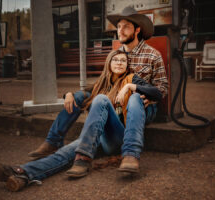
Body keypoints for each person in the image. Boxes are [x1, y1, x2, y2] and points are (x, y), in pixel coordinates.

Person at [0, 50, 163, 192]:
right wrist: (68, 94)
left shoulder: (131, 79)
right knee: (62, 154)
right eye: (115, 60)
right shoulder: (100, 85)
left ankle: (86, 158)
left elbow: (156, 93)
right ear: (109, 63)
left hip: (120, 136)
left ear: (127, 65)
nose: (119, 63)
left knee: (101, 100)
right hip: (98, 138)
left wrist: (129, 87)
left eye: (123, 61)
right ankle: (21, 173)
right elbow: (82, 95)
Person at [28, 6, 167, 169]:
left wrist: (144, 95)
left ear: (137, 30)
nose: (120, 31)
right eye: (119, 26)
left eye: (126, 27)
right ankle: (52, 141)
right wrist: (72, 94)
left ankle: (130, 153)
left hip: (142, 107)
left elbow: (162, 87)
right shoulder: (115, 54)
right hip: (114, 104)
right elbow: (102, 83)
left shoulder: (152, 54)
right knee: (79, 97)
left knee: (135, 98)